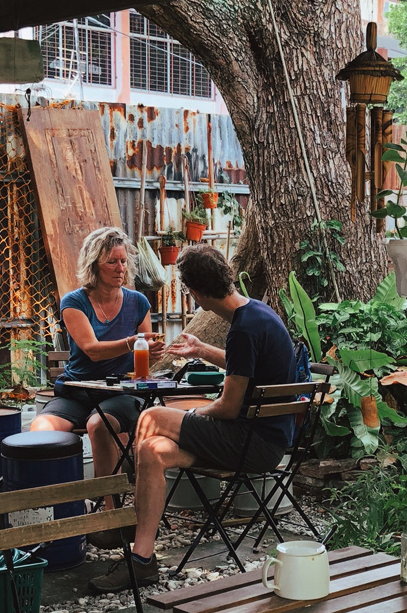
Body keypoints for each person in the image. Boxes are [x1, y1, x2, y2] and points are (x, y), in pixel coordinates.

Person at [90, 244, 296, 592]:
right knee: (153, 450)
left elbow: (227, 408)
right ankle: (141, 558)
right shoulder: (257, 313)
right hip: (260, 440)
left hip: (252, 444)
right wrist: (201, 350)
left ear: (196, 293)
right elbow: (244, 365)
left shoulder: (243, 329)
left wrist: (189, 415)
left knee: (153, 416)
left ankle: (124, 509)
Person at [31, 227, 164, 546]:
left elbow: (144, 354)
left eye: (123, 261)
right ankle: (55, 508)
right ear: (94, 265)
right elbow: (91, 349)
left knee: (99, 425)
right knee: (40, 429)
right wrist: (133, 342)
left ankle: (109, 513)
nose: (120, 268)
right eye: (112, 262)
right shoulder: (74, 301)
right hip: (77, 390)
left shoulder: (138, 302)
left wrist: (152, 351)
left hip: (121, 391)